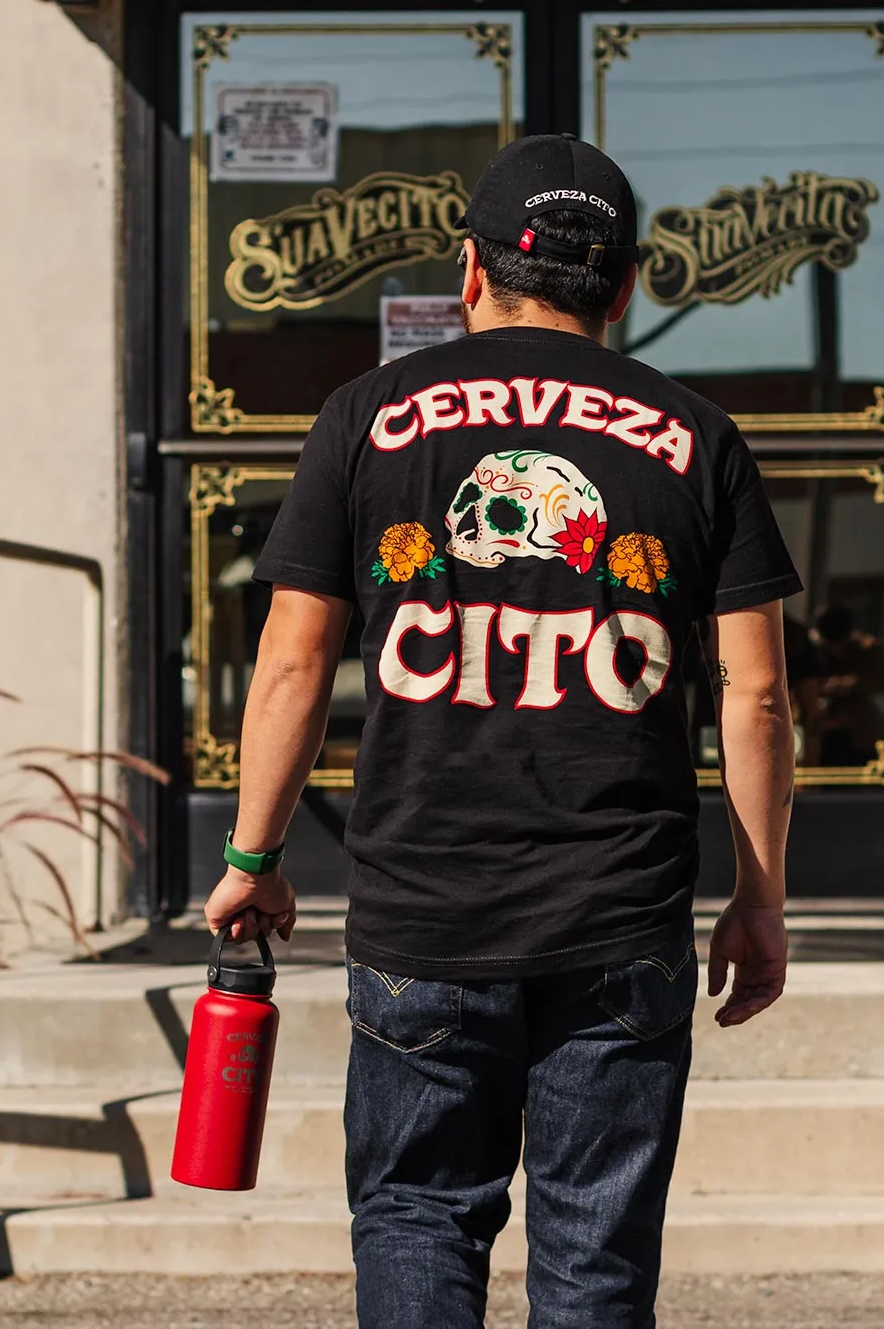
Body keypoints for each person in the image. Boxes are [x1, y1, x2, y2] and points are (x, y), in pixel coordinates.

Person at [204, 133, 800, 1329]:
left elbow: (291, 661)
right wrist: (758, 892)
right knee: (593, 1252)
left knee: (420, 1214)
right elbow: (754, 695)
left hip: (425, 908)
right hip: (617, 917)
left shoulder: (367, 418)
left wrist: (252, 860)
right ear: (627, 285)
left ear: (469, 271)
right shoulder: (697, 436)